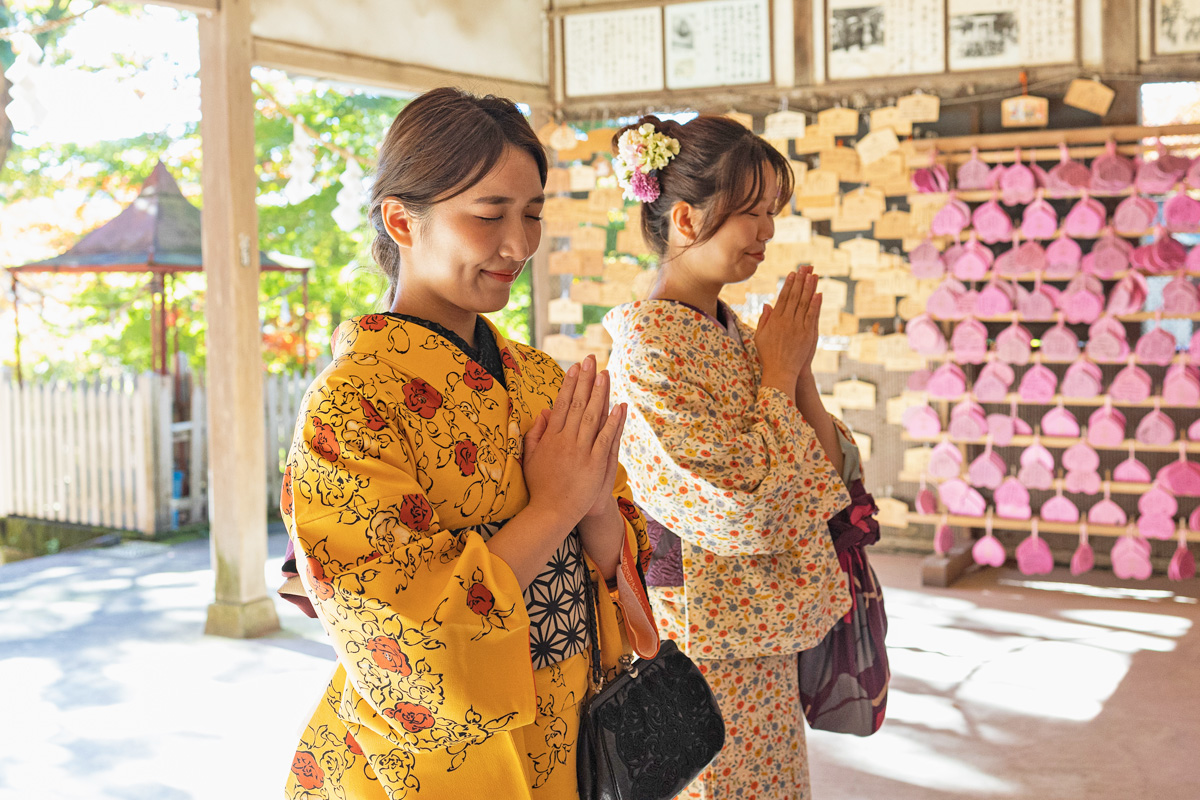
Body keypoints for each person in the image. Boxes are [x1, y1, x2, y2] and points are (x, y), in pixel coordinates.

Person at [278, 87, 657, 800]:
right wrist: (554, 509)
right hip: (437, 763)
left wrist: (595, 506)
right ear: (401, 220)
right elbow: (400, 624)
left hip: (574, 725)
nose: (519, 244)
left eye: (534, 213)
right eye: (489, 215)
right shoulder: (351, 403)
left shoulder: (542, 379)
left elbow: (614, 560)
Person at [604, 116, 869, 800]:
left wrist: (794, 367)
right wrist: (778, 375)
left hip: (760, 617)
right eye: (750, 213)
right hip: (704, 626)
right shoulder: (647, 344)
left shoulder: (730, 330)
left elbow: (830, 470)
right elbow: (739, 509)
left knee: (774, 779)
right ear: (687, 218)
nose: (767, 232)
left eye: (771, 213)